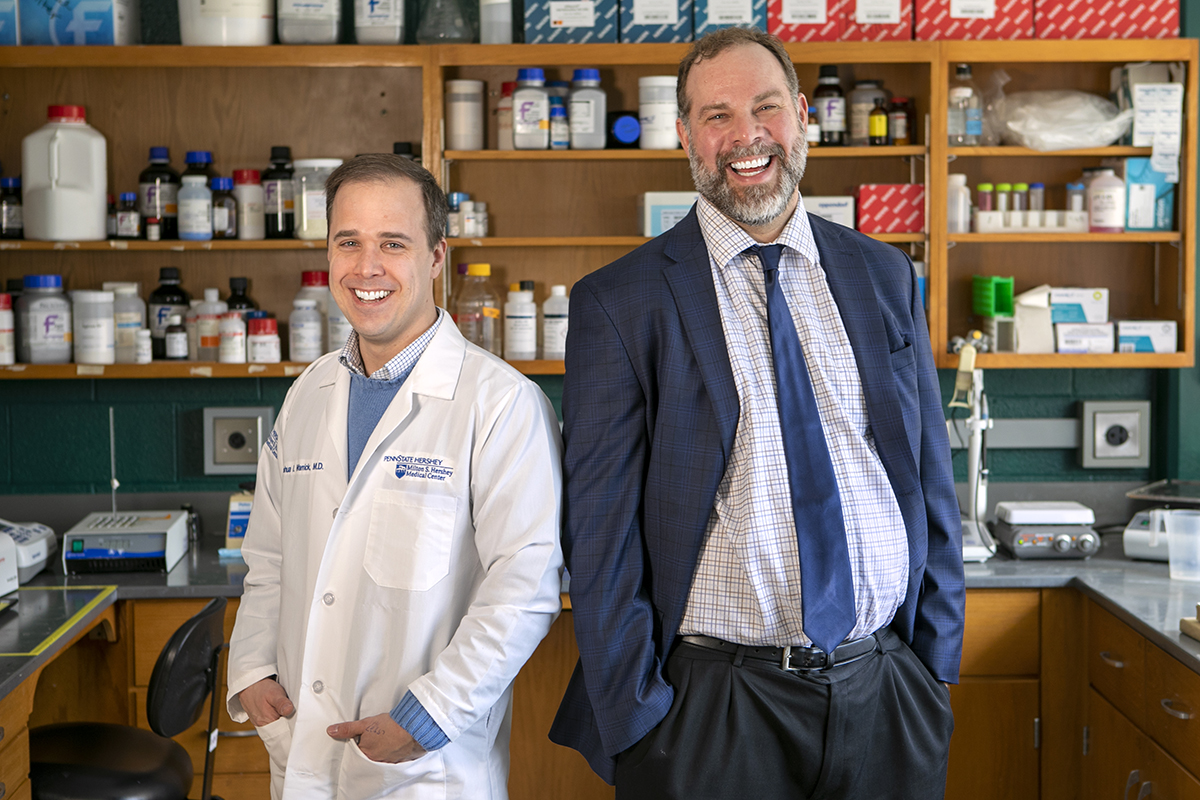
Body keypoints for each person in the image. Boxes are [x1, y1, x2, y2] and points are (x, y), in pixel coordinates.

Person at [549, 28, 965, 800]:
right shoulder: (621, 301)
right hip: (712, 714)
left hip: (885, 694)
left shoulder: (882, 274)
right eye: (717, 116)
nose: (747, 137)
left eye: (766, 107)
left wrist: (932, 671)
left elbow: (928, 476)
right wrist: (643, 721)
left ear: (802, 115)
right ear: (683, 136)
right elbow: (598, 534)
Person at [226, 154, 565, 800]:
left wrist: (427, 717)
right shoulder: (307, 394)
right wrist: (251, 670)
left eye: (393, 244)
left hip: (422, 770)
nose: (367, 267)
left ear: (436, 258)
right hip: (302, 749)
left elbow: (524, 588)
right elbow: (268, 558)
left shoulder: (500, 405)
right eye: (348, 242)